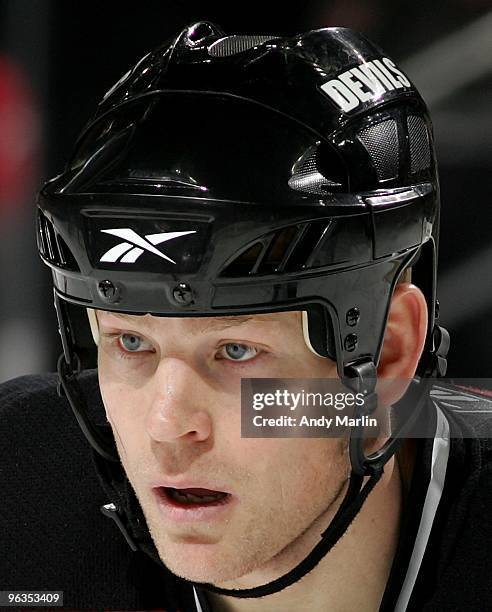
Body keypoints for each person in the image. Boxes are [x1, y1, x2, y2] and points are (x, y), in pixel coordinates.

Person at [1, 22, 491, 612]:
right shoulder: (18, 483)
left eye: (234, 351)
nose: (167, 425)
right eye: (131, 342)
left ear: (385, 355)